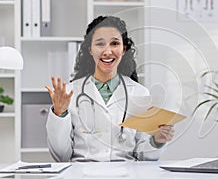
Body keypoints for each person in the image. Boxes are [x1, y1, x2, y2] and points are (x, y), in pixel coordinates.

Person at [45, 16, 175, 162]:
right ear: (90, 49)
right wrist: (59, 113)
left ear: (123, 49)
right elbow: (61, 156)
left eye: (114, 43)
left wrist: (156, 140)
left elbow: (144, 157)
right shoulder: (70, 93)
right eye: (100, 44)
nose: (107, 51)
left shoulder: (139, 93)